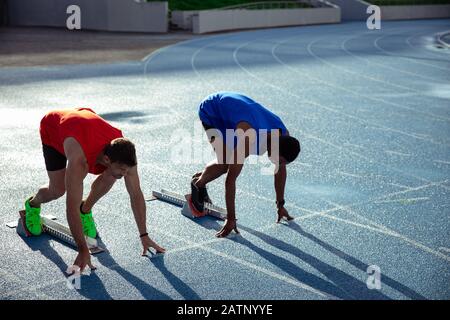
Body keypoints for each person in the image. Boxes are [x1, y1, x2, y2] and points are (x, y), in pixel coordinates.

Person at [24, 107, 165, 272]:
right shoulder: (79, 161)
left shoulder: (124, 152)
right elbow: (70, 207)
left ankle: (86, 210)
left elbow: (135, 194)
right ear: (106, 159)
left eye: (128, 170)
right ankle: (32, 205)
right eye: (123, 169)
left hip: (83, 126)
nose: (126, 174)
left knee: (113, 175)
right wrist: (83, 249)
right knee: (58, 190)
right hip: (54, 130)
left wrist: (144, 235)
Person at [190, 92, 301, 238]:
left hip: (237, 114)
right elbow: (230, 180)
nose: (278, 164)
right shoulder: (249, 138)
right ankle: (198, 184)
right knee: (225, 163)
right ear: (275, 148)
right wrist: (230, 218)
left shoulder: (283, 135)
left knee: (229, 159)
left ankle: (201, 177)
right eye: (279, 160)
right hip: (213, 111)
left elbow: (280, 171)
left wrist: (280, 204)